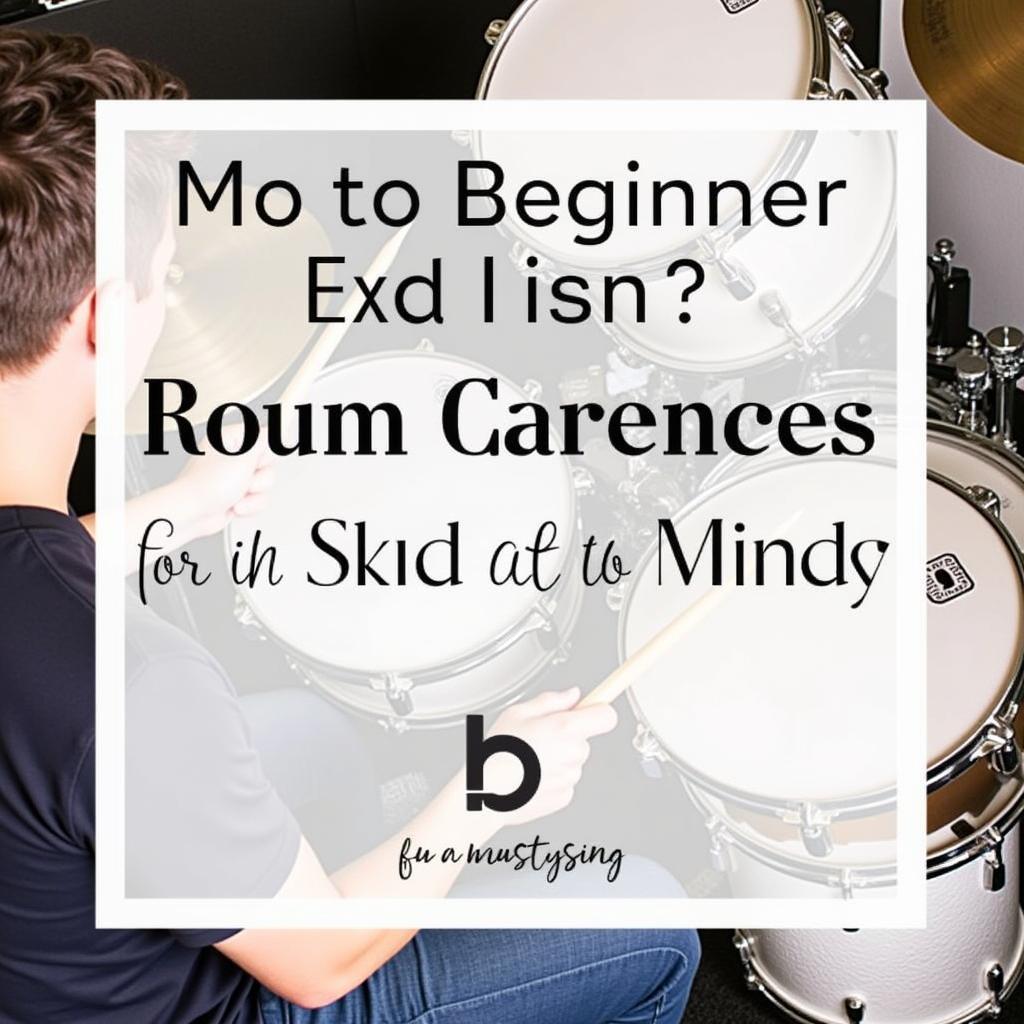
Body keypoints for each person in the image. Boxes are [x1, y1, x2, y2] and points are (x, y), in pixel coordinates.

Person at [0, 26, 700, 1024]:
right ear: (108, 317)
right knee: (654, 923)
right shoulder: (136, 681)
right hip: (208, 1008)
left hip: (39, 947)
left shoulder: (76, 642)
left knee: (318, 745)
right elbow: (325, 962)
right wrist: (486, 792)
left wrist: (175, 509)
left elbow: (30, 605)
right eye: (168, 275)